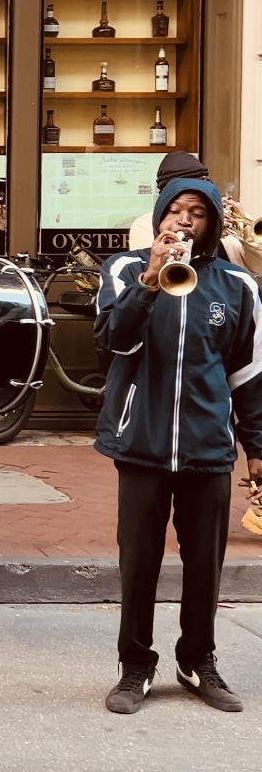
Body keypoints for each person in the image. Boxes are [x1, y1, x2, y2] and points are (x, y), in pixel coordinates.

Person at [95, 177, 262, 715]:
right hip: (140, 443)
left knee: (204, 564)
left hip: (208, 446)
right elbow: (114, 343)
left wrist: (256, 445)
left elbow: (248, 374)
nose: (184, 221)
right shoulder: (124, 269)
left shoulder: (238, 285)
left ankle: (197, 660)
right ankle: (135, 667)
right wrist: (149, 281)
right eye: (176, 210)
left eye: (197, 213)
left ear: (212, 224)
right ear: (159, 217)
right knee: (138, 562)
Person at [126, 151, 262, 278]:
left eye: (198, 213)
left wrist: (246, 233)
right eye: (175, 211)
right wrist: (209, 235)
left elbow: (259, 267)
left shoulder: (235, 219)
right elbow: (154, 268)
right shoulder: (144, 224)